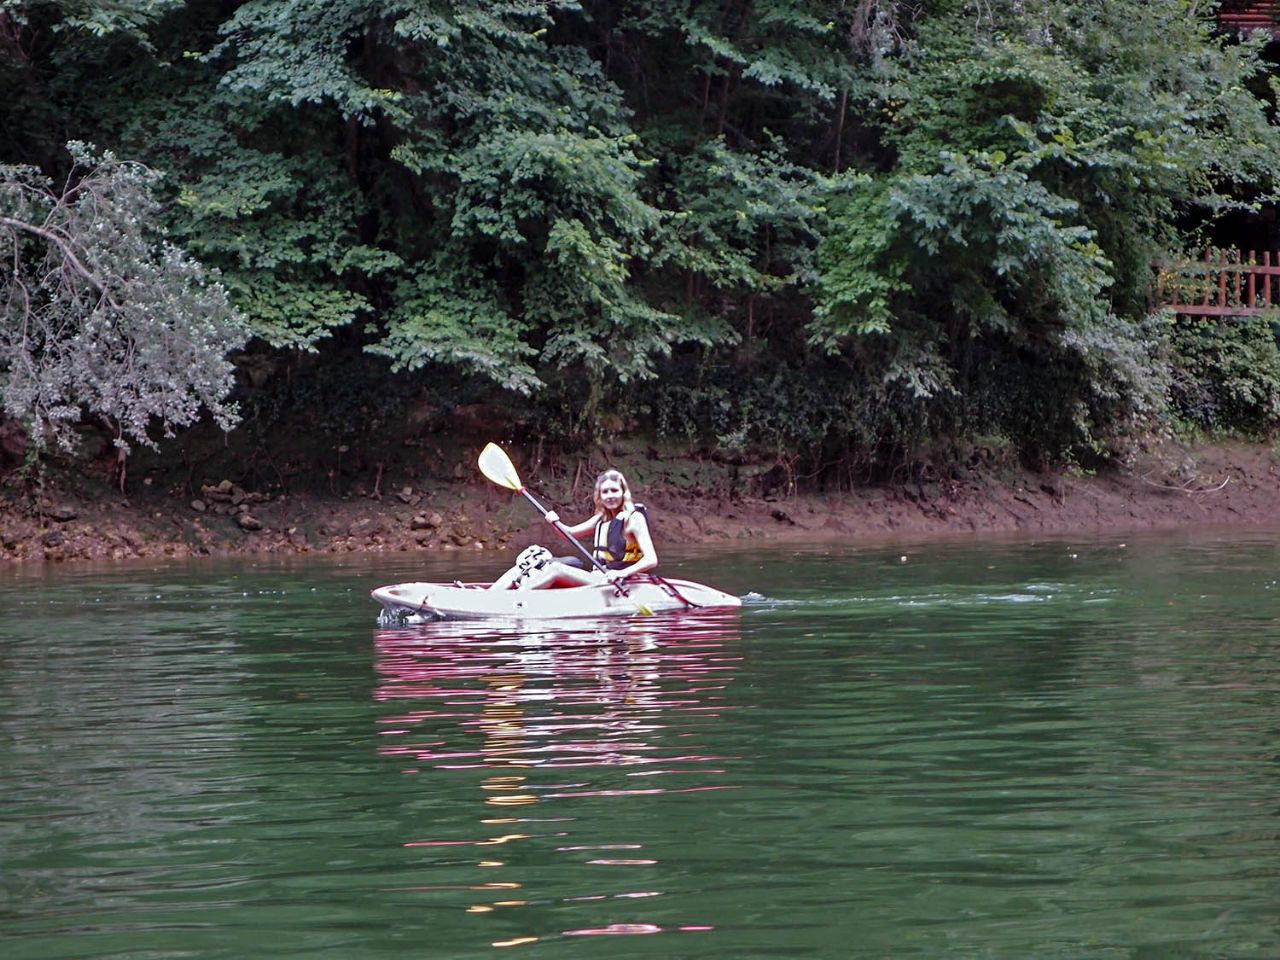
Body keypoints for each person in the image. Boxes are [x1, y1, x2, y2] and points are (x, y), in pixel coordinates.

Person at [488, 468, 657, 590]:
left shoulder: (634, 519)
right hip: (597, 577)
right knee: (533, 560)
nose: (610, 496)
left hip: (616, 580)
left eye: (614, 490)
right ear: (600, 496)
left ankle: (514, 599)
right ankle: (491, 595)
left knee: (556, 569)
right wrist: (554, 522)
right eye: (605, 492)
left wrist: (622, 574)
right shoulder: (602, 518)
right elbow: (569, 534)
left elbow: (651, 560)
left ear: (623, 492)